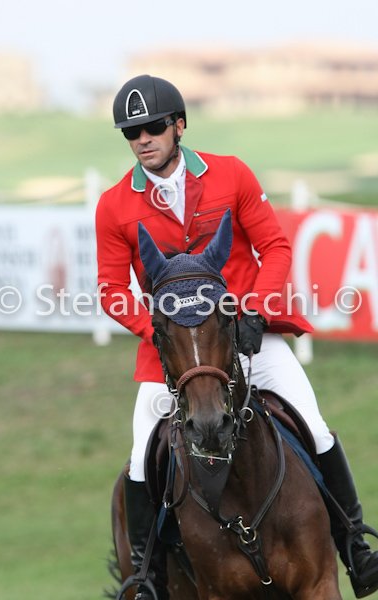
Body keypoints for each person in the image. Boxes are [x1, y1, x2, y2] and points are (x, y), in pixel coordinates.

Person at [96, 74, 378, 600]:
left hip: (248, 337)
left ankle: (355, 548)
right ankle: (147, 578)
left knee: (315, 427)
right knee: (140, 455)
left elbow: (275, 247)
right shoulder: (114, 205)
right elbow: (111, 288)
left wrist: (255, 310)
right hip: (176, 354)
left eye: (153, 127)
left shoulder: (231, 174)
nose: (143, 139)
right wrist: (154, 330)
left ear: (179, 126)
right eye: (132, 132)